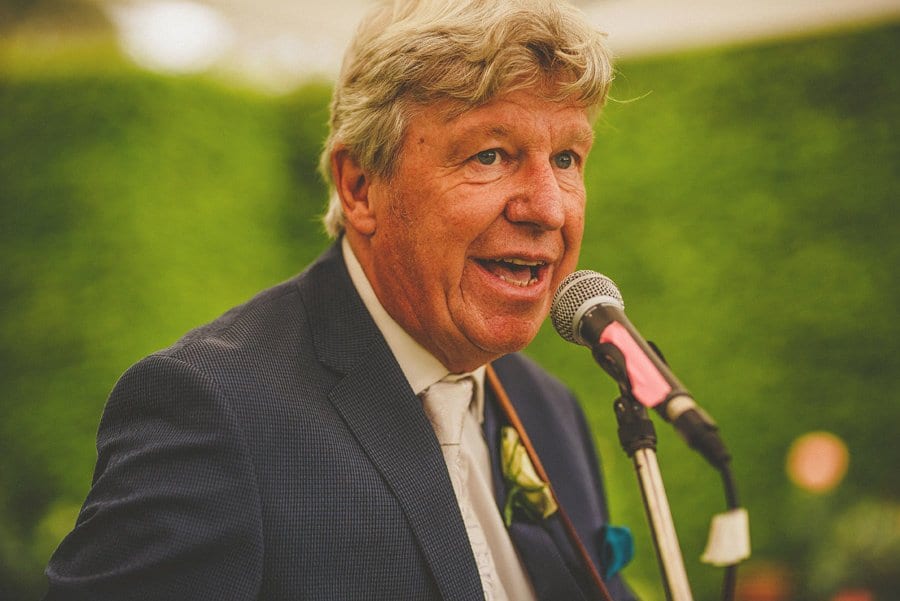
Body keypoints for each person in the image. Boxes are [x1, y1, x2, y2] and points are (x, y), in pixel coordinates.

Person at [44, 0, 637, 599]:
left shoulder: (551, 412)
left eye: (566, 158)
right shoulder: (212, 411)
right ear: (359, 187)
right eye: (489, 155)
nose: (548, 208)